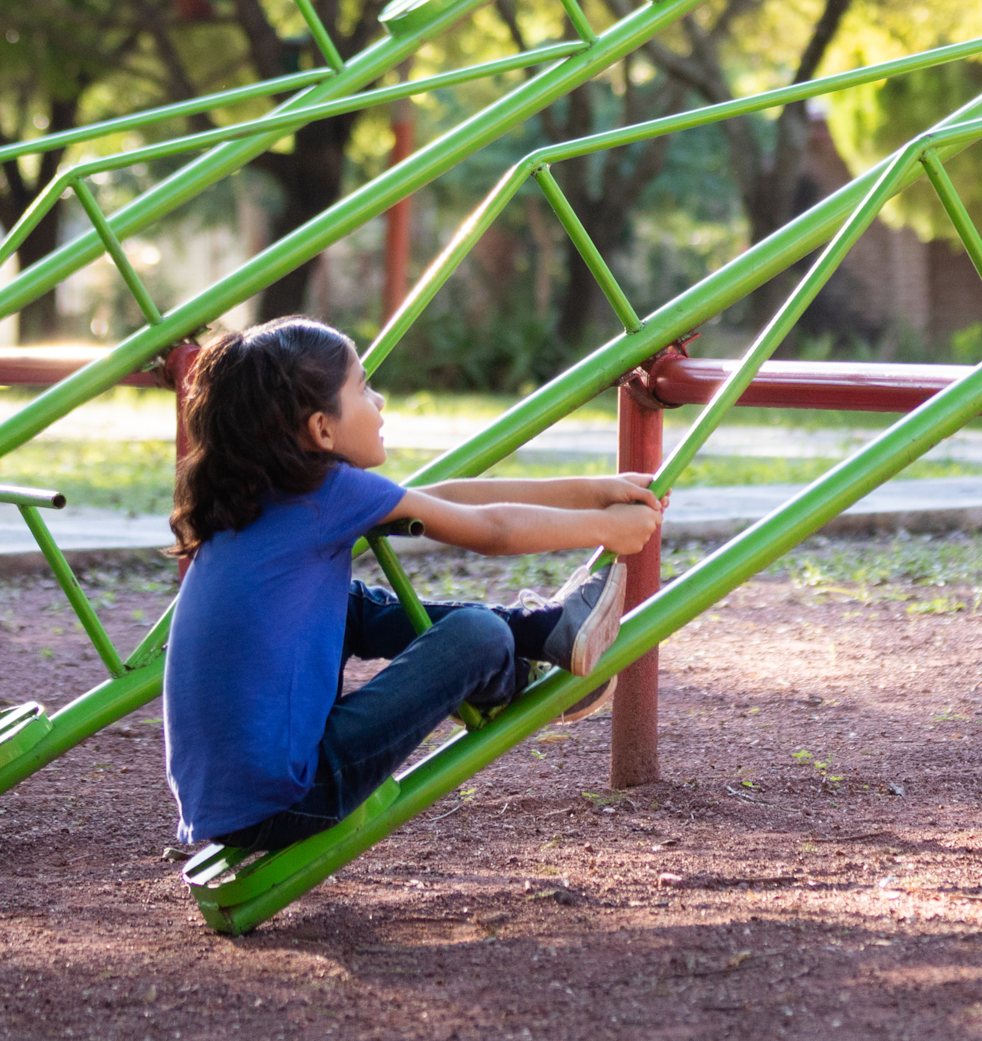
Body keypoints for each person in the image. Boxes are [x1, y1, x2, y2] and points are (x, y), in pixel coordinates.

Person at [162, 316, 664, 855]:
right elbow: (490, 531)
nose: (378, 403)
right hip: (293, 797)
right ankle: (522, 661)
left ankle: (541, 632)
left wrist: (592, 491)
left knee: (349, 606)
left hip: (225, 802)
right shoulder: (325, 494)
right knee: (477, 636)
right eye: (361, 389)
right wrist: (606, 528)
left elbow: (443, 497)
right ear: (321, 429)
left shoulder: (264, 496)